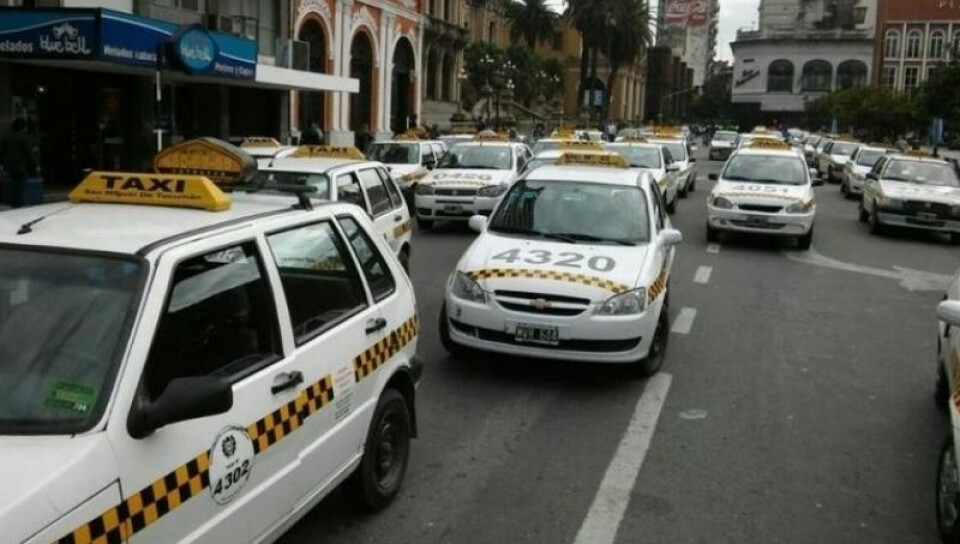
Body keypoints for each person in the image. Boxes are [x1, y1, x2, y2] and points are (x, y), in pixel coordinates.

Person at [0, 118, 36, 209]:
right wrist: (34, 164)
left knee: (14, 183)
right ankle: (17, 204)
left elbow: (2, 152)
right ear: (23, 128)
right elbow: (28, 153)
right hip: (20, 165)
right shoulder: (24, 138)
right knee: (20, 185)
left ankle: (14, 202)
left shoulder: (7, 138)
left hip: (9, 165)